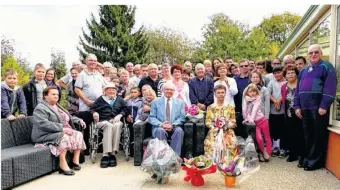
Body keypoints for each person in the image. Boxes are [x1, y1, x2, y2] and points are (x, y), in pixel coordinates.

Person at [294, 44, 337, 171]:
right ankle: (307, 158)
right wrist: (296, 106)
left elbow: (331, 87)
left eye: (316, 52)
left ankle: (315, 162)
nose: (313, 55)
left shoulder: (326, 67)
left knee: (319, 135)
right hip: (305, 108)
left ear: (321, 53)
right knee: (308, 134)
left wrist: (324, 105)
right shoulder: (303, 70)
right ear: (307, 55)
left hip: (318, 108)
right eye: (310, 53)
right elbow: (298, 90)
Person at [31, 86, 86, 176]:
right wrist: (62, 129)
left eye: (57, 94)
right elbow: (43, 124)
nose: (56, 96)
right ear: (45, 96)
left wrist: (78, 120)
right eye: (53, 94)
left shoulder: (57, 105)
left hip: (57, 131)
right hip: (44, 134)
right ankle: (62, 164)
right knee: (63, 136)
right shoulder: (40, 108)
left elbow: (67, 117)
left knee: (78, 134)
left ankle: (75, 161)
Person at [91, 83, 127, 168]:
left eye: (113, 90)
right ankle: (105, 155)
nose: (111, 91)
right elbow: (92, 109)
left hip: (116, 120)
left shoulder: (120, 99)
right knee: (108, 125)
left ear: (116, 91)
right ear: (105, 91)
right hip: (103, 121)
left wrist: (120, 115)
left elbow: (125, 108)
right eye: (109, 89)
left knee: (118, 125)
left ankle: (113, 154)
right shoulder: (100, 99)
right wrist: (94, 113)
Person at [148, 81, 186, 156]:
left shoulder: (180, 102)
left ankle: (174, 158)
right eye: (167, 89)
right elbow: (151, 117)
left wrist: (172, 125)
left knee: (179, 131)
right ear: (163, 90)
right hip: (160, 127)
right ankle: (162, 158)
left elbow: (182, 117)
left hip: (174, 126)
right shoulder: (155, 102)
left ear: (174, 91)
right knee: (160, 131)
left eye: (171, 90)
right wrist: (161, 124)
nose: (169, 91)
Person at [204, 85, 236, 158]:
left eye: (222, 92)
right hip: (214, 131)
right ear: (215, 94)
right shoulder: (210, 107)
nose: (221, 94)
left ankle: (226, 160)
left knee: (230, 142)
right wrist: (215, 127)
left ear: (225, 93)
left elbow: (233, 122)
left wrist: (226, 126)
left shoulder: (230, 107)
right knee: (210, 143)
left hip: (227, 131)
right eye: (218, 92)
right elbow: (207, 121)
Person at [281, 65, 305, 164]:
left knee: (301, 134)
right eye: (288, 73)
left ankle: (302, 155)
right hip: (289, 114)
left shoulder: (301, 84)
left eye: (292, 72)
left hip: (300, 113)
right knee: (291, 134)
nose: (290, 74)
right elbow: (283, 99)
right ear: (285, 75)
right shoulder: (283, 86)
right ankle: (293, 154)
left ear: (296, 74)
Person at [242, 84, 272, 162]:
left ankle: (268, 153)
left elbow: (255, 109)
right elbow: (244, 109)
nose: (252, 93)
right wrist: (246, 119)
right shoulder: (245, 98)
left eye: (254, 91)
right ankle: (263, 151)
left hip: (261, 120)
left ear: (257, 92)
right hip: (255, 124)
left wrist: (251, 119)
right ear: (247, 92)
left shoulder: (258, 98)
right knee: (259, 138)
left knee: (267, 137)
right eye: (250, 92)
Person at [267, 66, 286, 157]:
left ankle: (283, 147)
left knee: (283, 129)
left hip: (283, 110)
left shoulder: (286, 82)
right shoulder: (271, 82)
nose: (277, 75)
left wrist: (279, 101)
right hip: (273, 110)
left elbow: (285, 93)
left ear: (282, 72)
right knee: (274, 129)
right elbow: (268, 93)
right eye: (275, 73)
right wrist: (275, 101)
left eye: (279, 72)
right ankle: (275, 147)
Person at [233, 59, 251, 138]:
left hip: (251, 108)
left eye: (246, 66)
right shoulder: (235, 79)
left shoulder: (252, 77)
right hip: (238, 107)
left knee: (250, 130)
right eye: (241, 66)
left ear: (249, 66)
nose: (244, 67)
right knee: (239, 130)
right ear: (239, 68)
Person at [125, 87, 143, 156]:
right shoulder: (128, 101)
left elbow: (140, 112)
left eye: (135, 92)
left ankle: (137, 150)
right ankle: (131, 150)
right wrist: (127, 115)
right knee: (130, 134)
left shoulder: (141, 101)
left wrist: (136, 120)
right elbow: (124, 108)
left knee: (137, 135)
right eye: (132, 92)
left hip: (137, 120)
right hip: (129, 120)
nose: (133, 94)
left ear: (139, 93)